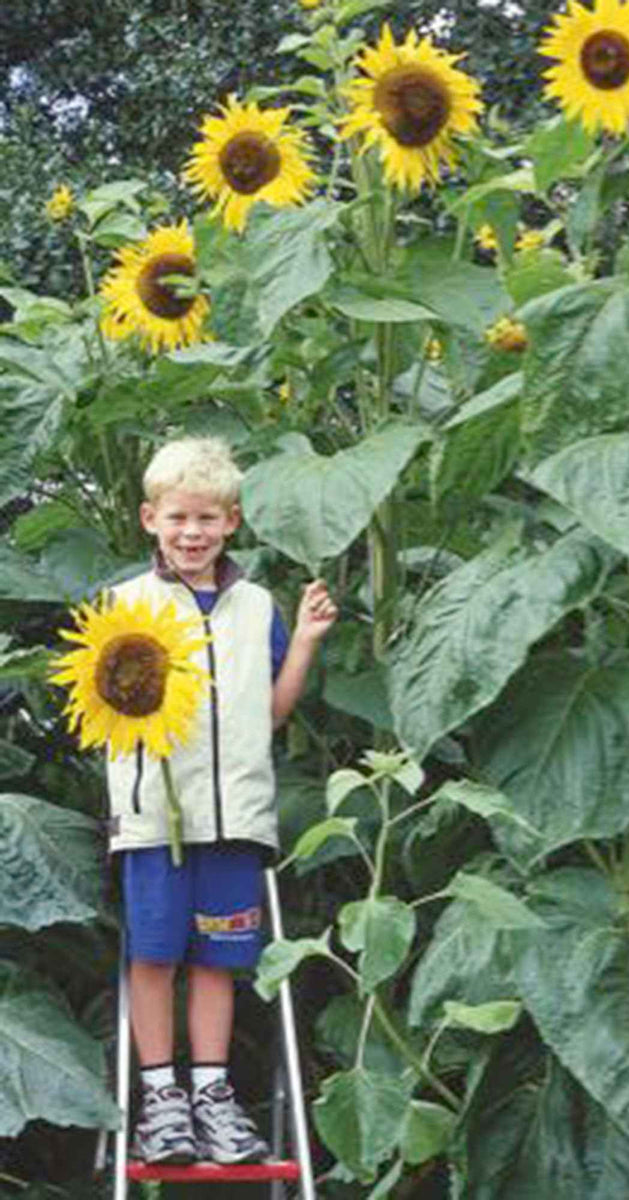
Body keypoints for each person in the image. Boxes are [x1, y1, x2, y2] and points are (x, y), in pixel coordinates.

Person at [110, 436, 337, 1165]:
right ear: (150, 518)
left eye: (207, 519)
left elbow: (269, 713)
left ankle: (211, 1093)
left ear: (232, 521)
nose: (192, 533)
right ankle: (162, 1099)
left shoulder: (254, 606)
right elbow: (101, 701)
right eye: (178, 518)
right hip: (153, 819)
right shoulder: (125, 604)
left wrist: (302, 640)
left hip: (236, 818)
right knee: (154, 956)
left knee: (218, 957)